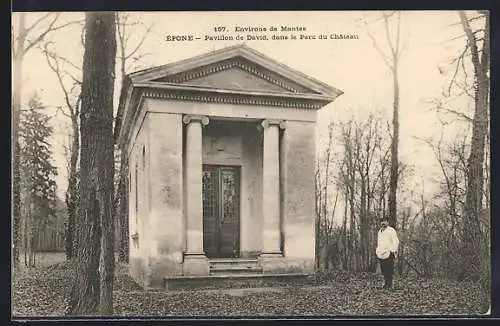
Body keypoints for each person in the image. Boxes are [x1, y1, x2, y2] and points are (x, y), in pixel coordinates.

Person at [376, 216, 399, 289]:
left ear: (387, 222)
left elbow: (396, 241)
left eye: (385, 221)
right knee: (384, 269)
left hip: (389, 253)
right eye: (382, 221)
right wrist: (378, 251)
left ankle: (390, 284)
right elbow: (379, 242)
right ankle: (386, 283)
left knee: (389, 269)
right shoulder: (380, 232)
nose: (383, 223)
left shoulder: (391, 230)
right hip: (381, 253)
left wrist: (392, 250)